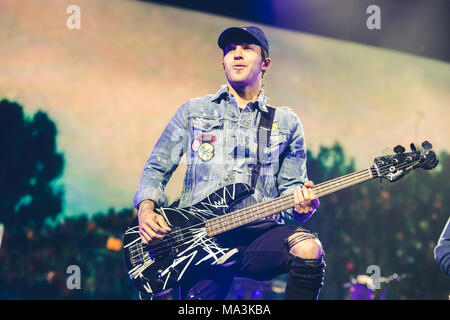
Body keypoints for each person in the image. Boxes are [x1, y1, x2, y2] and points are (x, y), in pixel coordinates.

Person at [133, 26, 325, 300]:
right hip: (200, 240)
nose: (237, 54)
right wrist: (146, 210)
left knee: (309, 248)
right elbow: (157, 165)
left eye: (247, 48)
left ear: (265, 63)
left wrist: (301, 210)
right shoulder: (193, 111)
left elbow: (291, 193)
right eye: (230, 50)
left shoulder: (286, 123)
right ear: (222, 62)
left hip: (257, 236)